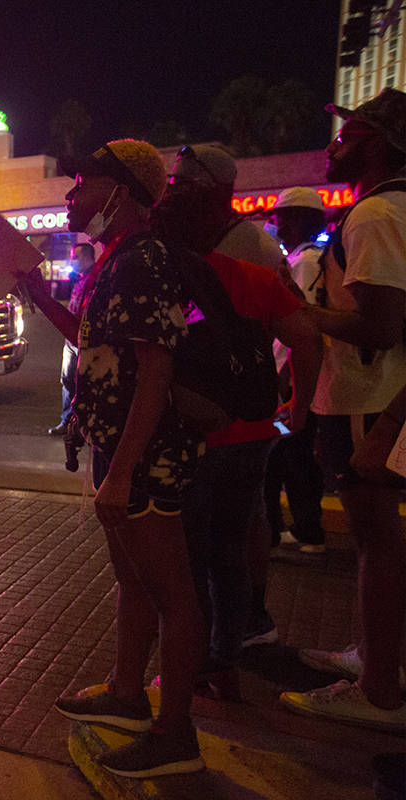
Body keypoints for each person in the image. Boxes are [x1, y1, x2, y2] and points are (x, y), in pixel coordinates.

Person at [23, 140, 206, 778]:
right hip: (118, 449)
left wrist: (124, 471)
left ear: (120, 191)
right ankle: (128, 697)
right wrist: (39, 298)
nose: (71, 197)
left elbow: (155, 369)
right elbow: (97, 343)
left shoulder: (143, 258)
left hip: (146, 456)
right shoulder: (116, 259)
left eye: (82, 184)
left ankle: (176, 733)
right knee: (133, 579)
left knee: (173, 591)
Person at [153, 185, 322, 700]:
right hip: (253, 432)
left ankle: (196, 664)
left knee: (190, 560)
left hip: (195, 438)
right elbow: (308, 337)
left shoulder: (171, 283)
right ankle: (228, 660)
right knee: (231, 550)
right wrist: (300, 406)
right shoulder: (255, 277)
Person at [279, 88, 406, 731]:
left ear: (378, 145)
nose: (334, 147)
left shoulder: (376, 215)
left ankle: (381, 690)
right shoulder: (387, 210)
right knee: (378, 544)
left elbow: (380, 326)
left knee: (377, 545)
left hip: (369, 400)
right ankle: (378, 657)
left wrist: (303, 313)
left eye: (347, 136)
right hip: (375, 399)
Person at [262, 187, 329, 554]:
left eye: (283, 219)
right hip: (295, 380)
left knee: (282, 454)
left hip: (289, 382)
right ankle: (303, 528)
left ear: (301, 219)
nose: (278, 227)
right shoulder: (313, 258)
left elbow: (298, 324)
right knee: (293, 454)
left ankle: (296, 529)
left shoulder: (303, 263)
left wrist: (287, 382)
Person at [159, 144, 294, 284]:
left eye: (187, 186)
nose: (175, 195)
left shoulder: (261, 249)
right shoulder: (180, 241)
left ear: (221, 191)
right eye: (174, 184)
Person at [49, 242, 95, 436]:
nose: (72, 261)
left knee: (83, 383)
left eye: (75, 256)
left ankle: (83, 424)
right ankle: (68, 421)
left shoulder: (96, 278)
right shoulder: (80, 278)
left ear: (86, 257)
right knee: (67, 380)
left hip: (84, 341)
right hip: (71, 340)